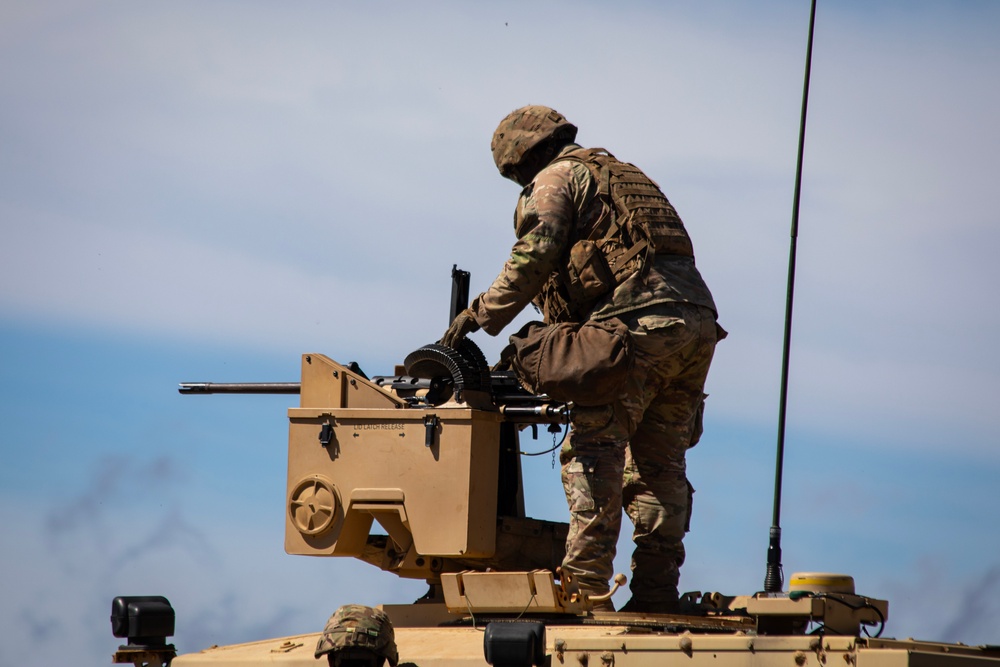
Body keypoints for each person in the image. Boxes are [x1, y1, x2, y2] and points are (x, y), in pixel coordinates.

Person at [442, 105, 724, 613]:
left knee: (594, 451)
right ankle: (656, 595)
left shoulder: (556, 178)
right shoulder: (618, 174)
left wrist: (479, 315)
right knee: (660, 466)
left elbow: (538, 250)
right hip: (694, 325)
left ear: (522, 158)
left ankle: (585, 594)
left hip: (637, 324)